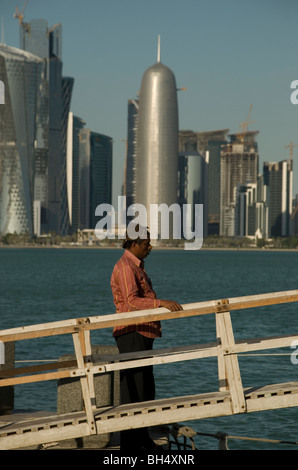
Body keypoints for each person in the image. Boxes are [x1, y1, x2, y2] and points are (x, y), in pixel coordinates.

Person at [110, 224, 182, 452]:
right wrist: (161, 303)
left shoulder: (136, 267)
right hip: (131, 333)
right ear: (134, 244)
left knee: (145, 390)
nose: (150, 247)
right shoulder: (125, 268)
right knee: (133, 390)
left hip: (141, 333)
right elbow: (131, 302)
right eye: (145, 243)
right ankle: (131, 444)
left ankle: (141, 438)